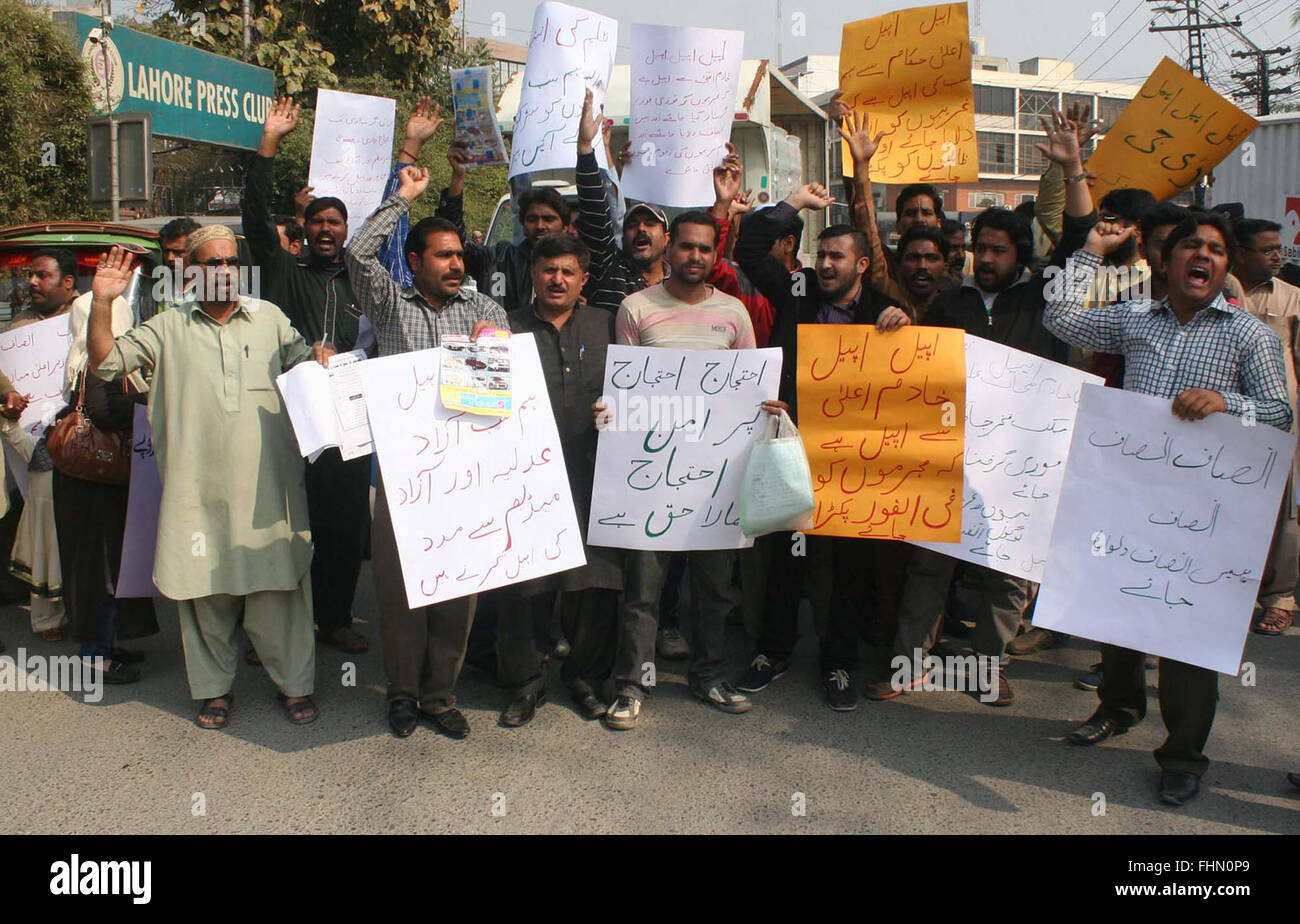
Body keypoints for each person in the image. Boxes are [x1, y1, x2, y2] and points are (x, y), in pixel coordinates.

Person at [1045, 210, 1292, 806]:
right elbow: (1061, 318)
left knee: (1186, 634)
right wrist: (1090, 251)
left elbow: (1280, 412)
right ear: (1167, 259)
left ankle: (1183, 755)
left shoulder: (1248, 335)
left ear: (1225, 266)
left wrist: (1226, 403)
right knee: (1118, 611)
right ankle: (1120, 707)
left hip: (1203, 515)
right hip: (1130, 498)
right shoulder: (1135, 319)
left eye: (1215, 249)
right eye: (1191, 246)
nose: (1202, 255)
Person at [87, 227, 327, 730]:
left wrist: (322, 361)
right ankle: (214, 691)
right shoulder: (167, 326)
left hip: (269, 487)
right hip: (197, 490)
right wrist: (102, 303)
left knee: (278, 587)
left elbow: (305, 368)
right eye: (211, 263)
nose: (223, 271)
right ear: (190, 273)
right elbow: (108, 363)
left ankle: (295, 686)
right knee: (206, 589)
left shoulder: (269, 319)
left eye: (230, 262)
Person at [733, 183, 911, 709]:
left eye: (837, 257)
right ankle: (773, 651)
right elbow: (747, 251)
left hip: (854, 462)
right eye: (822, 255)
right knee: (790, 555)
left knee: (849, 568)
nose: (826, 265)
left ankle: (839, 663)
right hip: (793, 450)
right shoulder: (797, 290)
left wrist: (908, 326)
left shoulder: (883, 310)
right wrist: (793, 204)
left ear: (861, 266)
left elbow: (917, 370)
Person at [345, 165, 508, 739]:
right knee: (401, 593)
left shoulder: (485, 312)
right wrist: (401, 198)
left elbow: (498, 396)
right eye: (441, 255)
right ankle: (402, 693)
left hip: (466, 479)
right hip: (404, 480)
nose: (455, 264)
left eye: (458, 254)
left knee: (456, 597)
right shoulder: (391, 306)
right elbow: (358, 256)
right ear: (414, 262)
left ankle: (440, 695)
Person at [597, 210, 759, 729]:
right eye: (686, 247)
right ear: (669, 251)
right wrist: (609, 410)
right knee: (642, 589)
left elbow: (749, 389)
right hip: (650, 474)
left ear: (717, 255)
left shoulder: (734, 313)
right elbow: (623, 389)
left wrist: (767, 407)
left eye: (704, 249)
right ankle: (631, 684)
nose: (694, 257)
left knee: (715, 589)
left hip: (715, 478)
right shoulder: (634, 308)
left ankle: (709, 675)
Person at [245, 97, 370, 655]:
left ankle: (335, 620)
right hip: (284, 418)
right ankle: (268, 626)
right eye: (317, 220)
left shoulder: (363, 285)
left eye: (335, 221)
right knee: (281, 524)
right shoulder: (281, 271)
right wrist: (268, 144)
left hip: (344, 423)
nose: (325, 228)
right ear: (305, 225)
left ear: (346, 230)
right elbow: (252, 217)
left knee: (343, 526)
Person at [496, 233, 622, 726]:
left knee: (595, 584)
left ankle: (587, 680)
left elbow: (635, 389)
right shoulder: (505, 331)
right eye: (549, 270)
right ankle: (525, 685)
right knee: (526, 587)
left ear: (583, 279)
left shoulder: (608, 326)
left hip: (595, 478)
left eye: (568, 271)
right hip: (526, 482)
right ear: (533, 273)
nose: (558, 279)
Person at [54, 287, 158, 684]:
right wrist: (151, 400)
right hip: (97, 483)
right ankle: (94, 655)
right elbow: (105, 410)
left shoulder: (79, 358)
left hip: (87, 481)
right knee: (104, 570)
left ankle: (105, 644)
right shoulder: (99, 362)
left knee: (100, 566)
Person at [1230, 218, 1300, 636]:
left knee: (1283, 511)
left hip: (1279, 417)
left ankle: (1280, 599)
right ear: (1240, 252)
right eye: (1267, 249)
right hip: (1228, 415)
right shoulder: (1217, 293)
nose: (1277, 256)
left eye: (1279, 249)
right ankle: (1232, 594)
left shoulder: (1293, 298)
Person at [4, 248, 78, 641]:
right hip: (36, 448)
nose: (32, 282)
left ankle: (90, 614)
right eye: (30, 276)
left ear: (68, 283)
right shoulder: (18, 329)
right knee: (44, 529)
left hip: (84, 442)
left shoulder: (89, 319)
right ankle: (48, 615)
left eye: (42, 276)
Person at [839, 108, 951, 308]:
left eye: (927, 212)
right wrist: (860, 166)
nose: (919, 219)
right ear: (898, 224)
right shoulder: (889, 283)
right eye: (913, 258)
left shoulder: (961, 297)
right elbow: (864, 222)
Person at [434, 140, 565, 311]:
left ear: (565, 224)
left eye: (548, 219)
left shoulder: (579, 264)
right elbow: (452, 239)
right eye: (532, 219)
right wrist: (458, 178)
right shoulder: (498, 260)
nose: (540, 226)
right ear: (522, 223)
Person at [895, 225, 951, 320]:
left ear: (945, 267)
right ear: (900, 266)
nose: (922, 266)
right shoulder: (888, 308)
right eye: (913, 258)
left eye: (931, 258)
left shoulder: (957, 312)